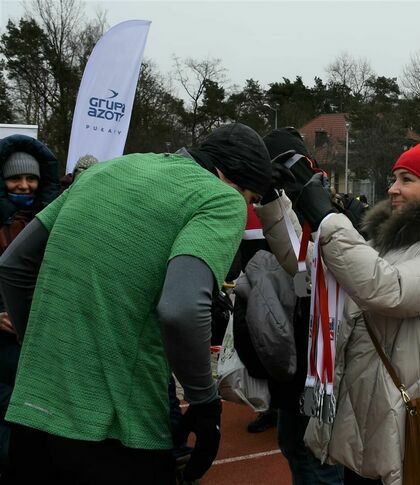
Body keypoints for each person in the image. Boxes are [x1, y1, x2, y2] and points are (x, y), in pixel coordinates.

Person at [0, 122, 272, 484]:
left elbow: (14, 265)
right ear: (233, 180)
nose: (247, 209)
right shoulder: (219, 198)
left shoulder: (103, 170)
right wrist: (204, 403)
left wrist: (30, 338)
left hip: (31, 414)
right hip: (115, 430)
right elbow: (181, 309)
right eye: (250, 199)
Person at [258, 133, 420, 484]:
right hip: (372, 415)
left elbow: (389, 289)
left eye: (406, 180)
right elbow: (312, 264)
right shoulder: (395, 240)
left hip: (413, 417)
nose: (392, 188)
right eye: (394, 177)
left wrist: (327, 218)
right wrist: (278, 201)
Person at [256, 127, 344, 484]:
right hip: (292, 360)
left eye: (295, 164)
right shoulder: (275, 202)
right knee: (291, 443)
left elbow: (305, 260)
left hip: (321, 365)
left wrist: (312, 206)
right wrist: (271, 196)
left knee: (317, 455)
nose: (291, 173)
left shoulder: (335, 211)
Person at [0, 134, 60, 473]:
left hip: (41, 337)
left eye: (31, 178)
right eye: (15, 178)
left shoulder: (53, 222)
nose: (24, 185)